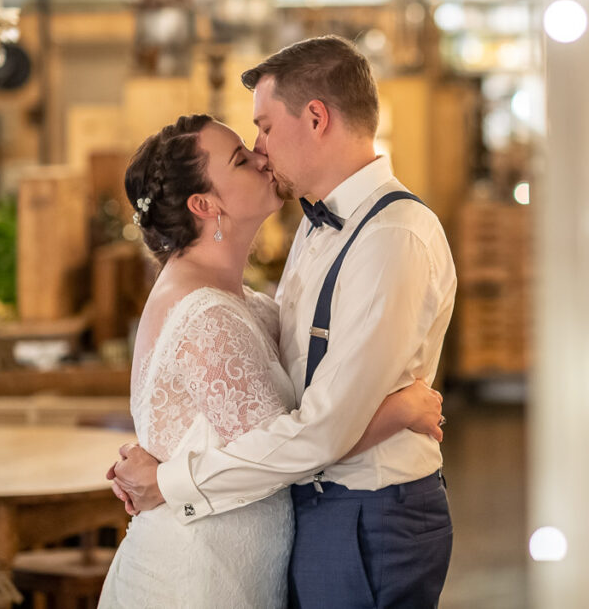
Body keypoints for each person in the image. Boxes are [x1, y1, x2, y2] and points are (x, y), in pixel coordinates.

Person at [111, 35, 458, 608]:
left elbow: (317, 428)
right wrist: (400, 409)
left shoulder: (389, 237)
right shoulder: (315, 228)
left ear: (317, 118)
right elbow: (299, 416)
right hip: (279, 532)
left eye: (264, 128)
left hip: (366, 513)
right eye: (246, 151)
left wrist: (170, 477)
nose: (260, 148)